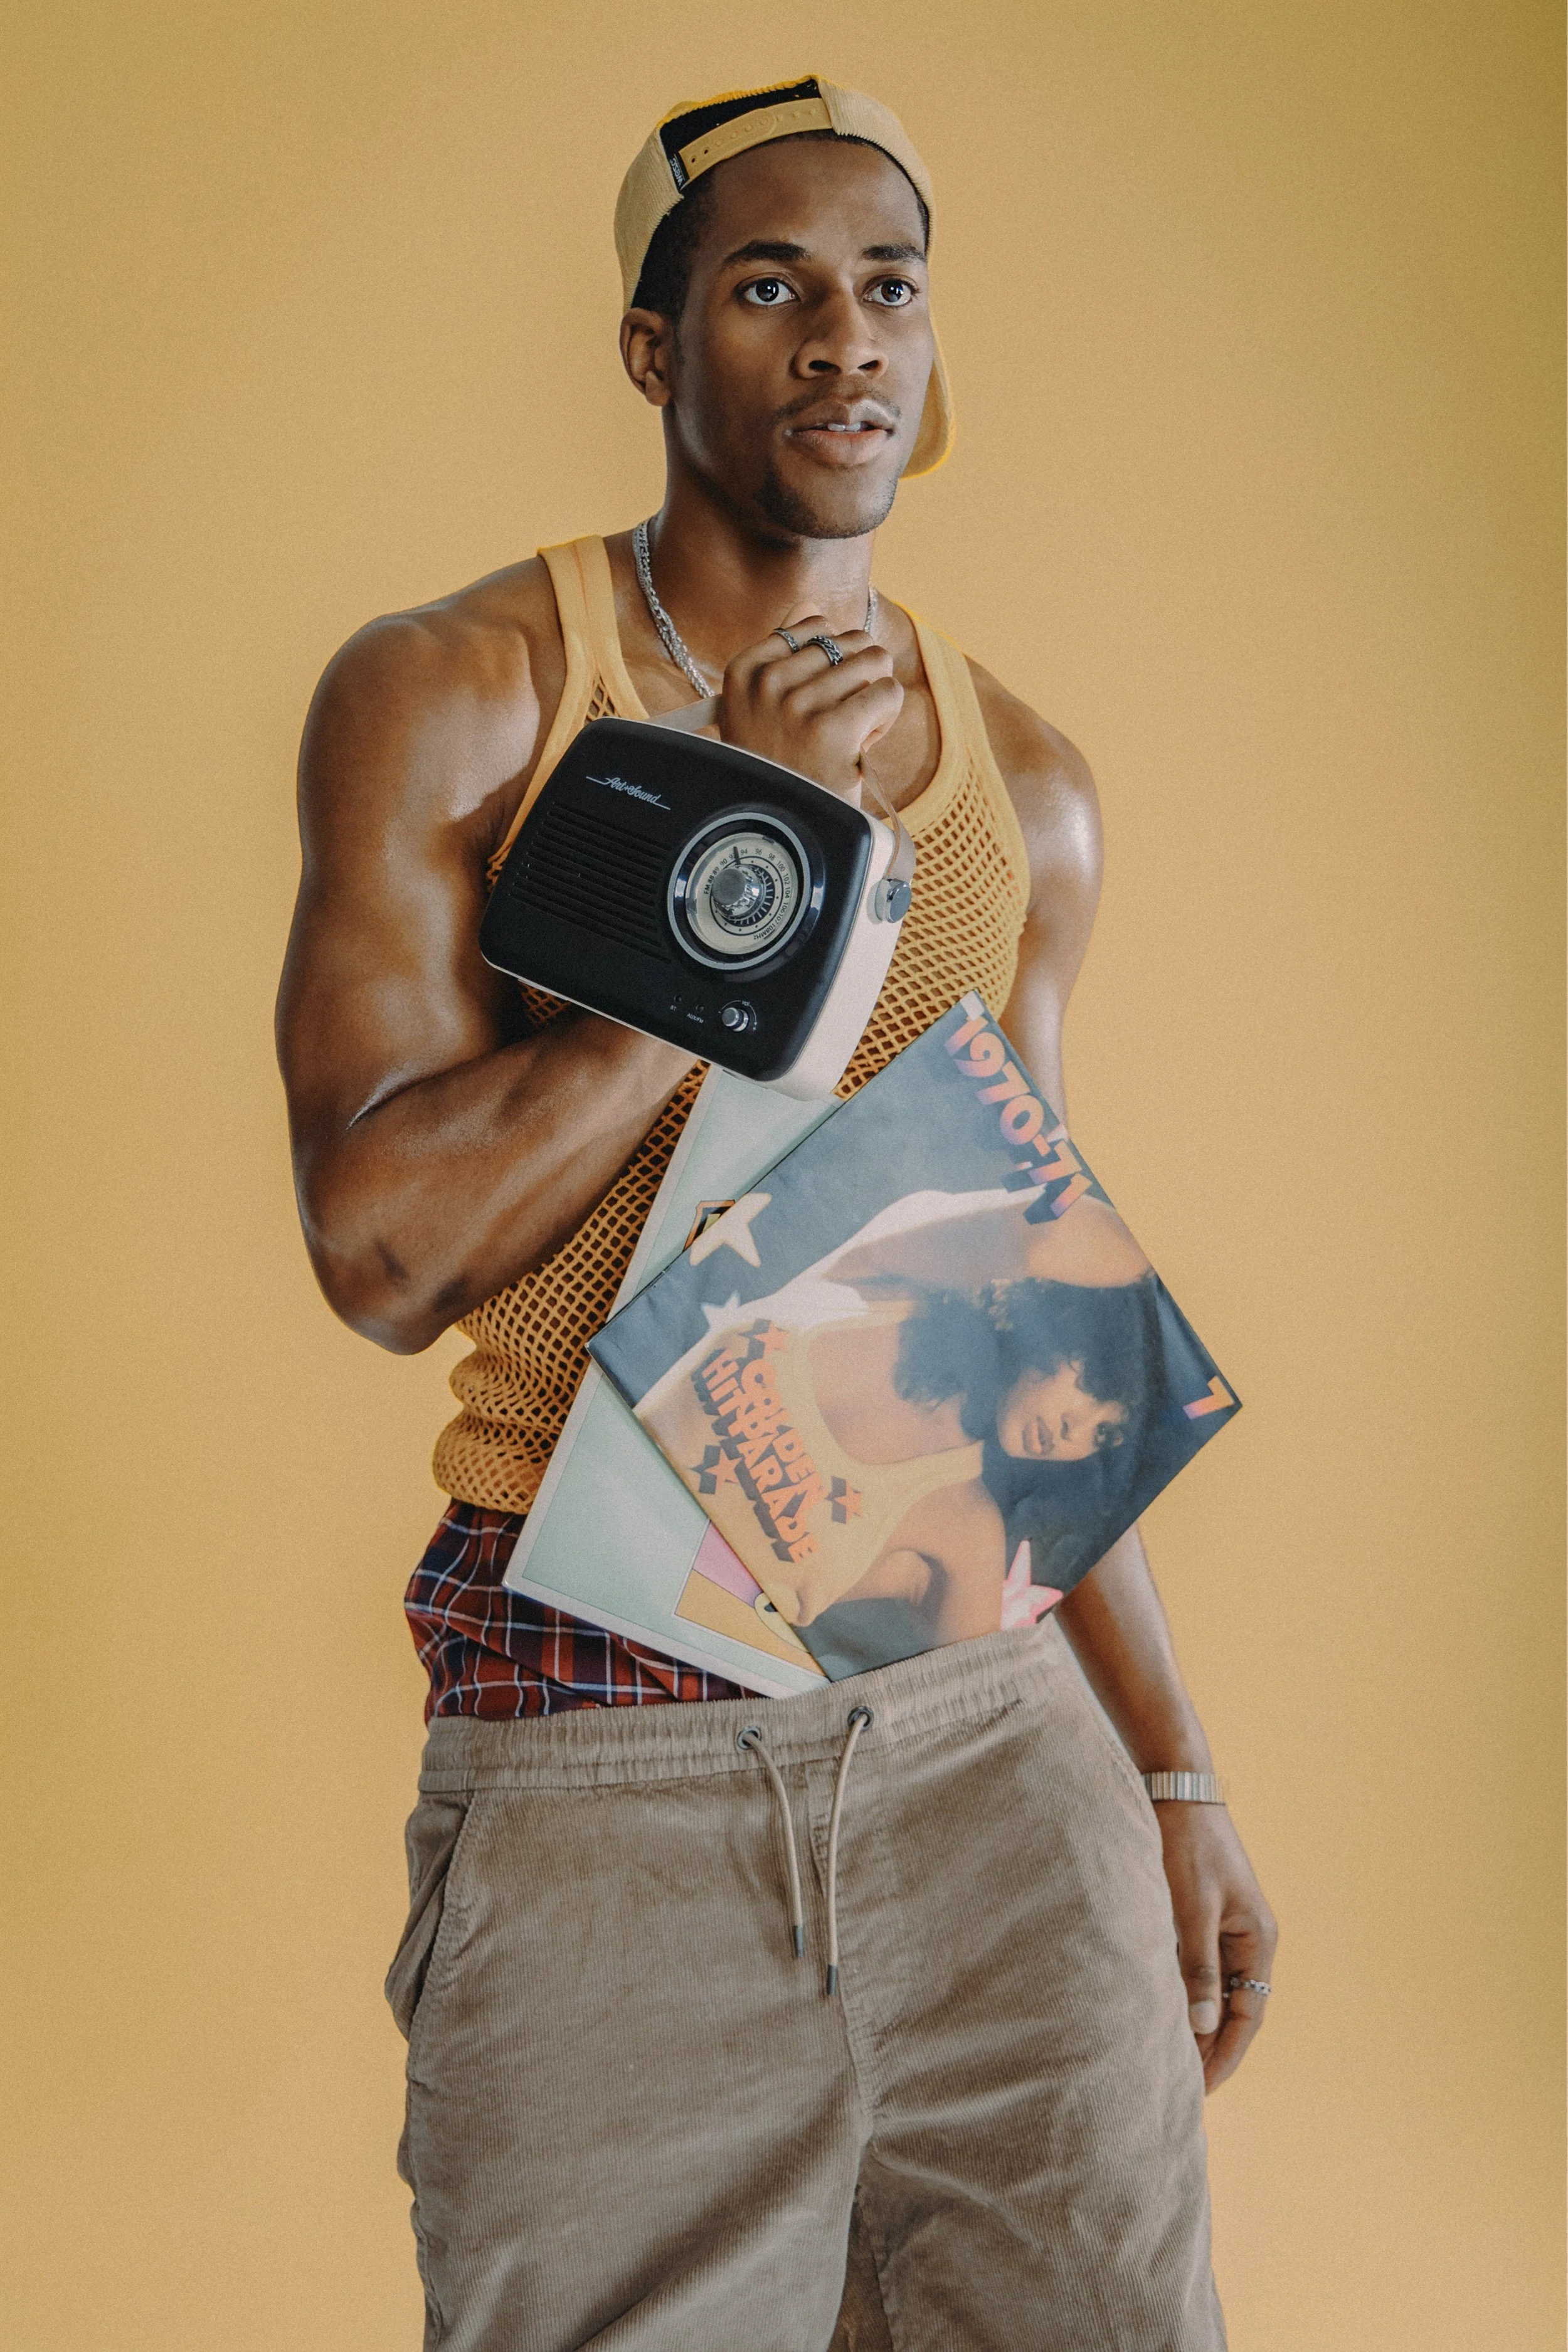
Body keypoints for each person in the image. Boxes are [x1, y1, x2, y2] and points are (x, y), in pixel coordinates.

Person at [277, 73, 1276, 2352]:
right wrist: (746, 848)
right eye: (770, 286)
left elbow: (1015, 1305)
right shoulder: (464, 689)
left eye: (890, 288)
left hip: (987, 1734)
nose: (845, 339)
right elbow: (377, 1247)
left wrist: (1175, 1765)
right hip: (606, 1741)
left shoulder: (1020, 780)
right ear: (657, 351)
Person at [634, 1185, 1160, 1660]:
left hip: (655, 1647)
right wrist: (1162, 1263)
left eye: (1104, 1434)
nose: (1077, 1431)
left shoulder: (967, 1530)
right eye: (1093, 1388)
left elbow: (960, 1714)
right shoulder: (891, 1277)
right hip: (586, 1456)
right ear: (1069, 1326)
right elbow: (1040, 1243)